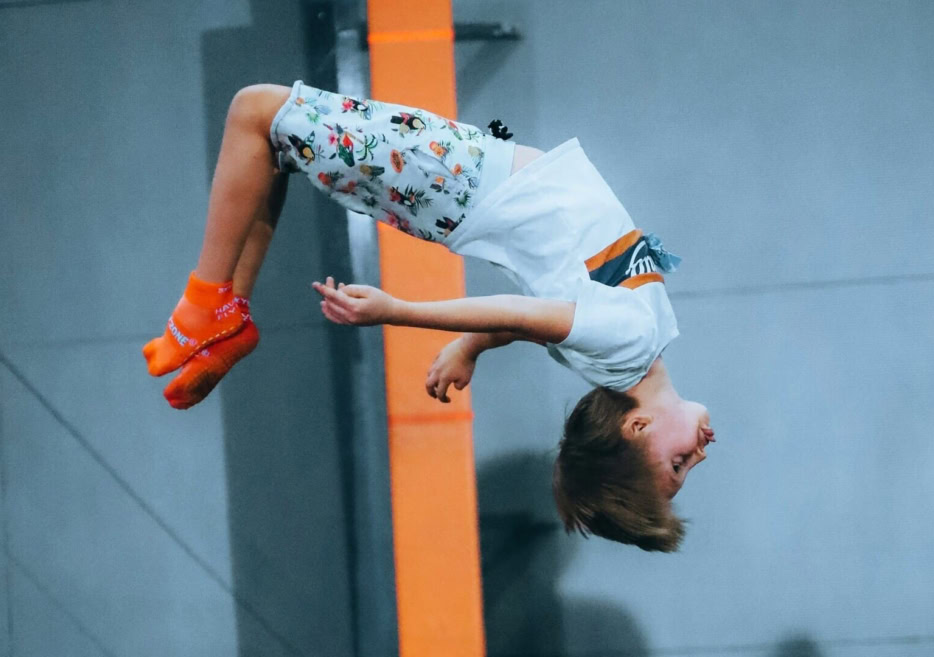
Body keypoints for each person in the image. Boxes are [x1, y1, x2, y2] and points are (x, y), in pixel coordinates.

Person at [143, 81, 714, 551]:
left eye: (680, 461)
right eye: (688, 464)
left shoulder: (629, 343)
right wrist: (470, 348)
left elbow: (518, 311)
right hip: (465, 189)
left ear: (636, 428)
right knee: (277, 144)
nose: (701, 451)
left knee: (256, 111)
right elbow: (528, 319)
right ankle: (228, 315)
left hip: (461, 183)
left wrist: (400, 310)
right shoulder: (631, 355)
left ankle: (207, 301)